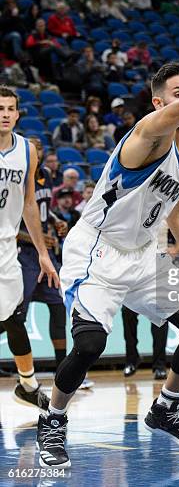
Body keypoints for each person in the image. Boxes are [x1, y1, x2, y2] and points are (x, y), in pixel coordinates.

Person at [36, 22, 179, 468]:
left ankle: (165, 407)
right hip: (97, 252)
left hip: (143, 255)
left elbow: (176, 213)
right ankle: (54, 419)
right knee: (89, 345)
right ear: (159, 102)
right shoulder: (146, 134)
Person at [0, 86, 59, 411]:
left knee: (12, 317)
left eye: (10, 108)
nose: (5, 113)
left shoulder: (26, 150)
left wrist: (42, 252)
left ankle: (27, 385)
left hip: (7, 247)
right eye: (0, 108)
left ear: (18, 114)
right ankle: (28, 383)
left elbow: (28, 204)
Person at [17, 138, 68, 371]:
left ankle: (63, 369)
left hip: (45, 255)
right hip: (23, 256)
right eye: (32, 150)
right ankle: (23, 370)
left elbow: (45, 207)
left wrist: (57, 221)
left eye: (39, 150)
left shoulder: (45, 174)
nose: (35, 154)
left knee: (58, 307)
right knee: (16, 314)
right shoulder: (16, 180)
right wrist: (37, 239)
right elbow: (10, 228)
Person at [121, 307, 168, 380]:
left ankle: (159, 366)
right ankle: (131, 360)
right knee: (127, 309)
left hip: (155, 297)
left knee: (160, 313)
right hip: (134, 296)